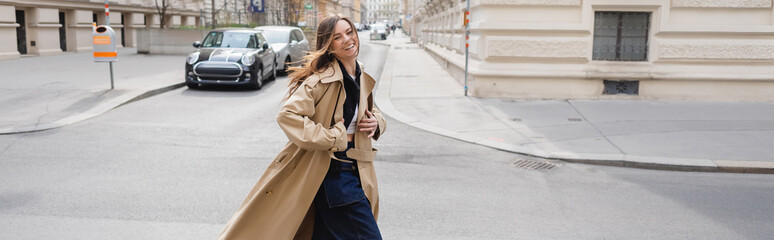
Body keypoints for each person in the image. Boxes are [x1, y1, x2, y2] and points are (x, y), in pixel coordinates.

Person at [218, 14, 387, 240]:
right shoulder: (321, 81)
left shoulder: (360, 74)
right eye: (338, 37)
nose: (348, 39)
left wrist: (377, 123)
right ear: (329, 46)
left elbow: (370, 109)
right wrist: (332, 138)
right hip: (336, 174)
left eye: (349, 32)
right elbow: (287, 115)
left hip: (358, 170)